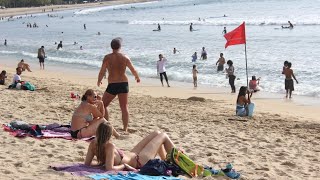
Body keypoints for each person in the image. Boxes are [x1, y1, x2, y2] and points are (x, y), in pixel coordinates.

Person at [85, 122, 175, 170]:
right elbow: (110, 168)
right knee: (163, 135)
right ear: (109, 135)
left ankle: (166, 161)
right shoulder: (109, 146)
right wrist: (123, 166)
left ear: (98, 132)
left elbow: (87, 164)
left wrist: (100, 164)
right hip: (140, 161)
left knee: (157, 133)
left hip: (133, 154)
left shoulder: (93, 144)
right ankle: (179, 158)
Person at [97, 38, 140, 132]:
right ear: (120, 46)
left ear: (111, 46)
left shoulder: (107, 57)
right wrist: (137, 77)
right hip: (123, 83)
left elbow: (102, 71)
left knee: (103, 105)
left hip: (112, 84)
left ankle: (107, 124)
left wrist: (99, 80)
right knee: (124, 107)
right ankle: (125, 128)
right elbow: (133, 69)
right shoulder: (125, 57)